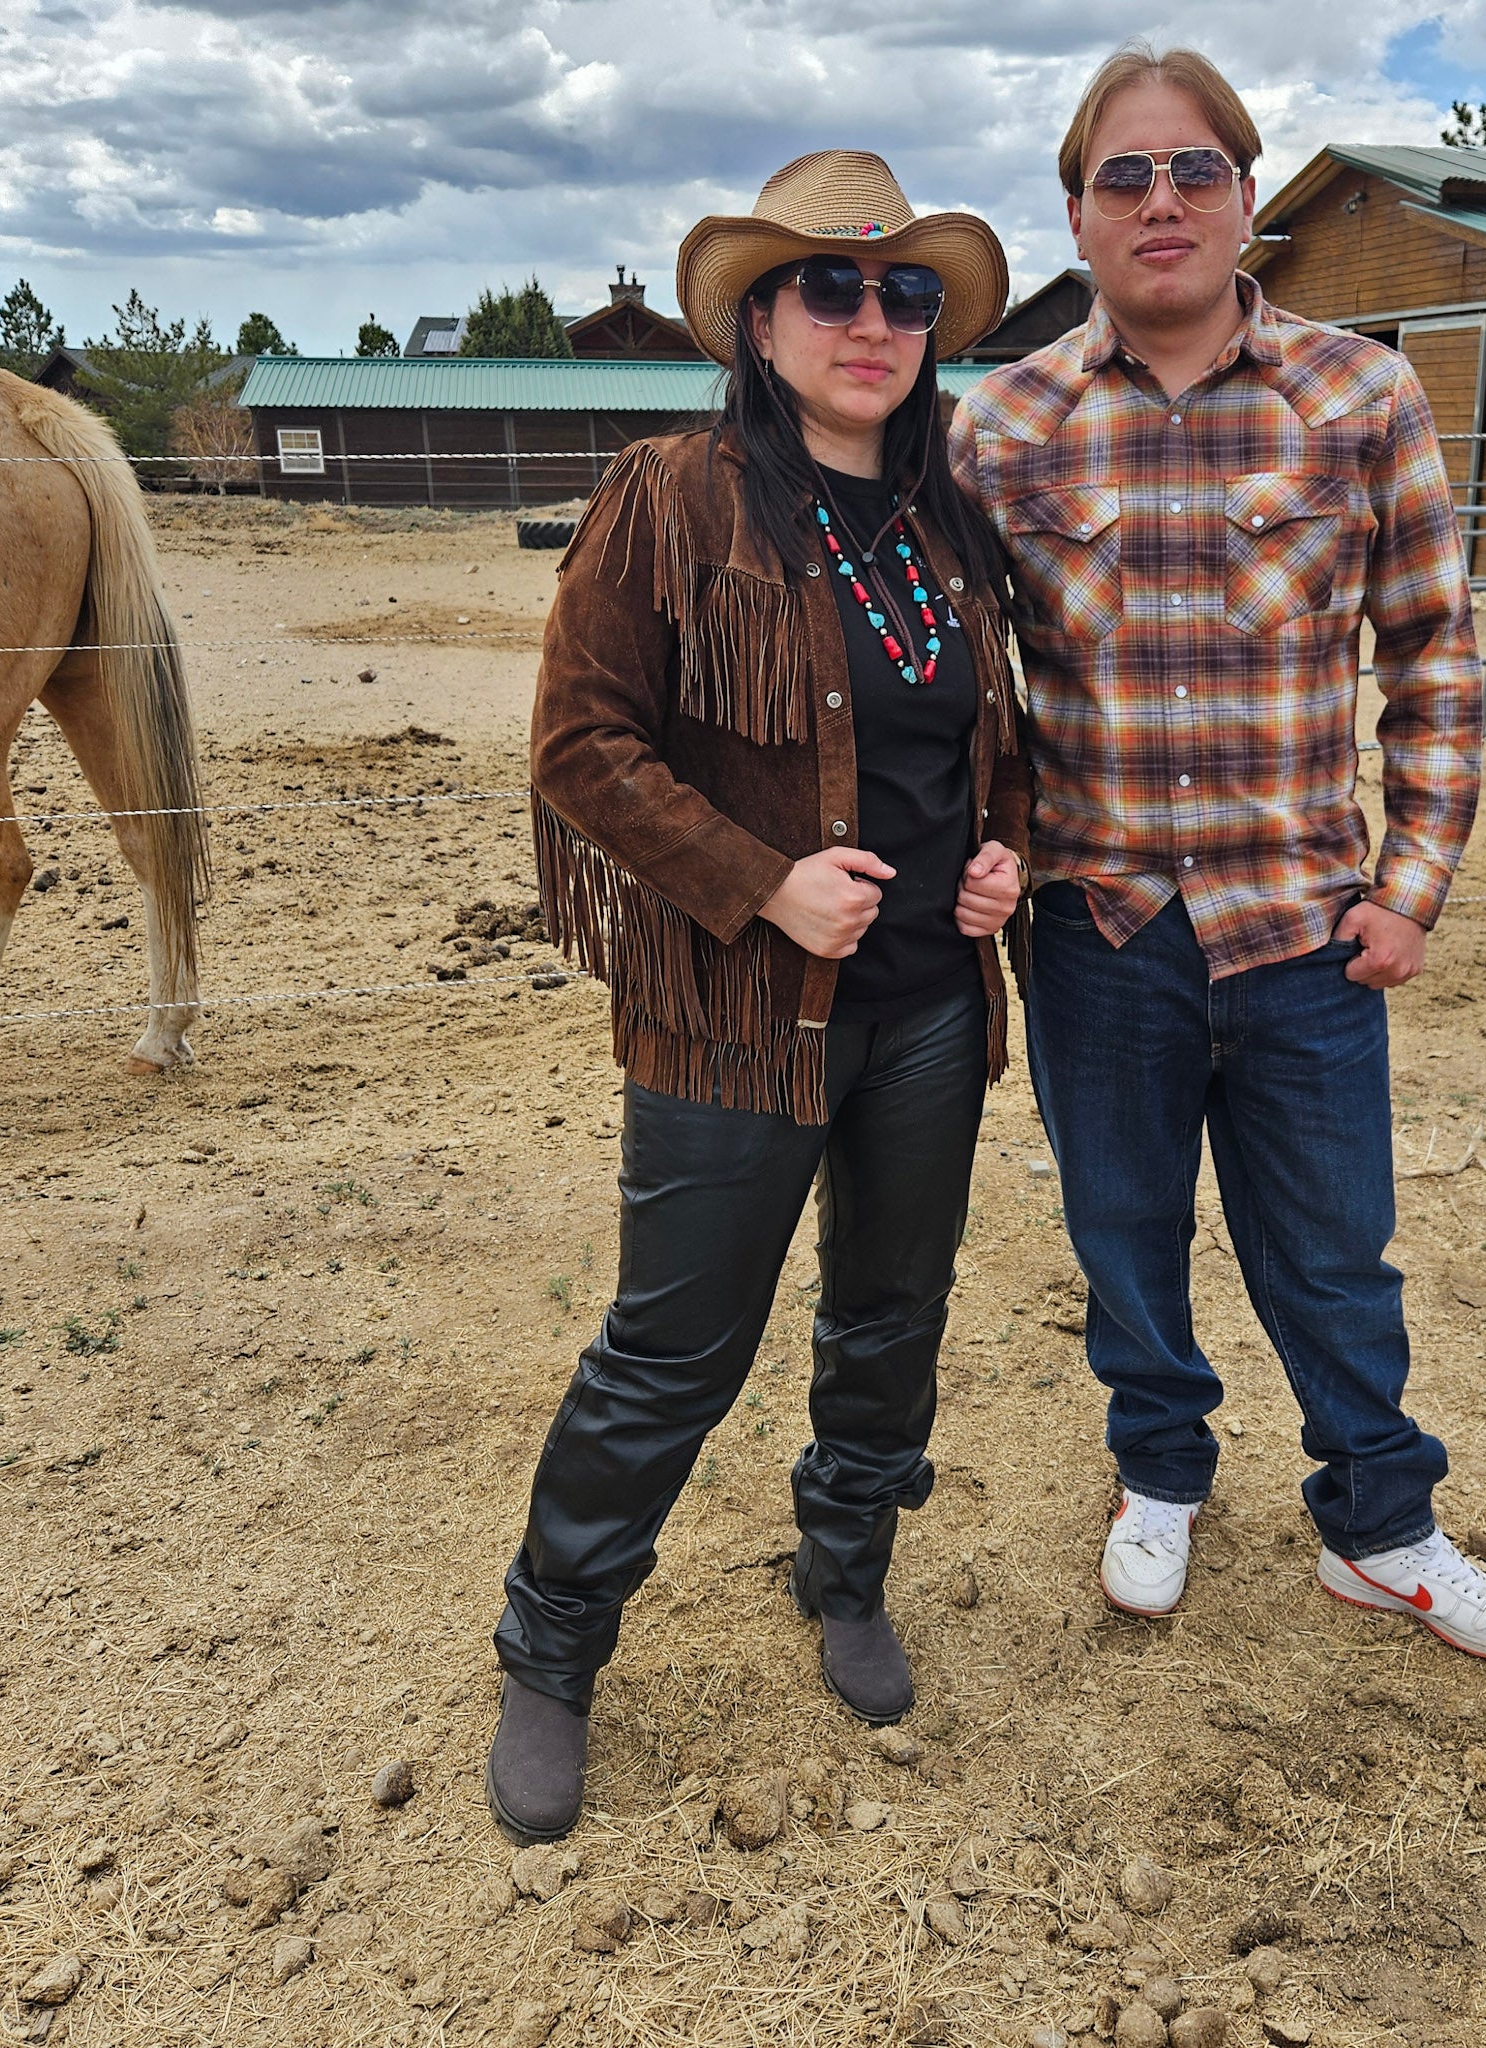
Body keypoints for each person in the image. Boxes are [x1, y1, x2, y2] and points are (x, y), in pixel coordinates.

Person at [949, 44, 1486, 1663]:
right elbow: (952, 686)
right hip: (1100, 926)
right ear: (1077, 214)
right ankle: (1159, 1472)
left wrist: (1412, 890)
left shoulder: (1361, 396)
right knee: (1122, 1235)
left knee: (1335, 1254)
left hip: (1304, 928)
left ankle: (1382, 1523)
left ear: (1243, 195)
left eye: (1193, 169)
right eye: (1123, 176)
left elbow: (1433, 657)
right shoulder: (1000, 427)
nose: (1161, 200)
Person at [488, 150, 1029, 1844]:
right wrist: (763, 882)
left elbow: (994, 739)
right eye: (832, 287)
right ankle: (553, 1646)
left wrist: (1004, 852)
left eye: (906, 292)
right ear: (761, 321)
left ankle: (845, 1564)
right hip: (733, 1012)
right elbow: (582, 744)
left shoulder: (949, 519)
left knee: (893, 1312)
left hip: (931, 1006)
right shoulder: (671, 497)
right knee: (672, 1348)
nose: (874, 321)